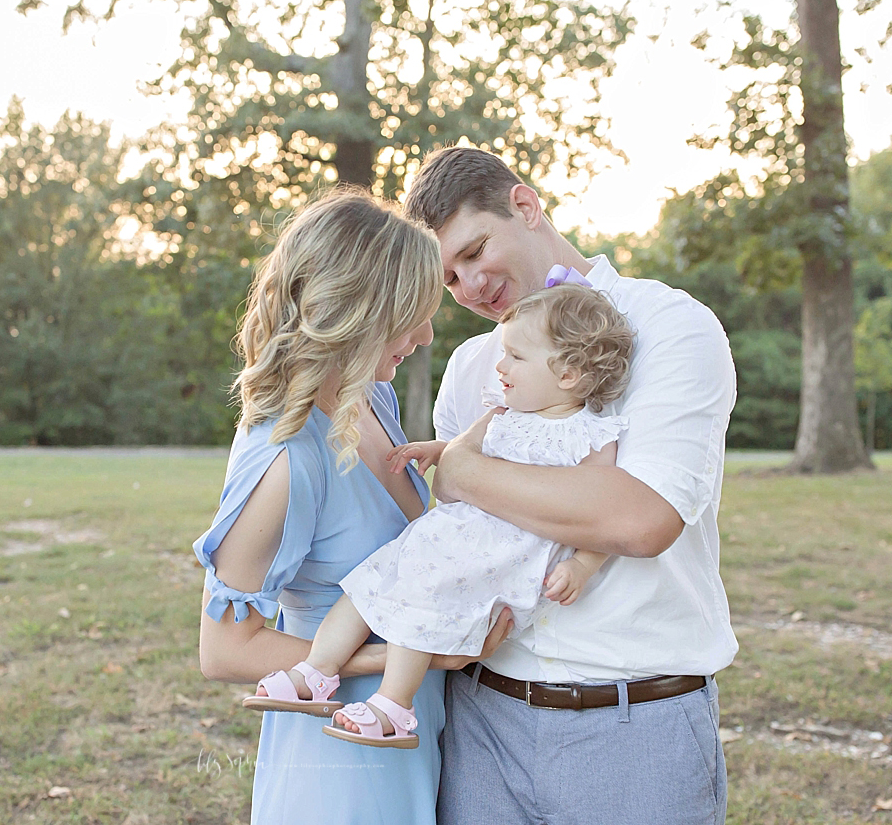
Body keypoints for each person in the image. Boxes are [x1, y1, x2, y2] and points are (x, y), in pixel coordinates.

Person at [403, 147, 738, 825]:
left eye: (475, 251)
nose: (470, 287)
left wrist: (462, 470)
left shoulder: (669, 327)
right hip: (483, 719)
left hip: (638, 721)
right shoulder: (469, 369)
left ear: (526, 205)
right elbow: (459, 545)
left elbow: (638, 519)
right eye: (448, 278)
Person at [192, 186, 511, 825]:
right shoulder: (281, 459)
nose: (428, 331)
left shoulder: (373, 402)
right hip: (338, 761)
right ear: (354, 310)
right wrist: (419, 660)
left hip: (409, 740)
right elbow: (222, 650)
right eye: (409, 312)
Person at [246, 284, 632, 750]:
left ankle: (393, 706)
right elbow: (459, 453)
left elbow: (604, 514)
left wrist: (583, 564)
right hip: (446, 540)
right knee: (365, 586)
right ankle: (317, 671)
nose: (501, 366)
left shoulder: (591, 437)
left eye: (516, 357)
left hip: (497, 558)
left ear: (569, 373)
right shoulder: (499, 414)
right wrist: (435, 450)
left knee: (419, 604)